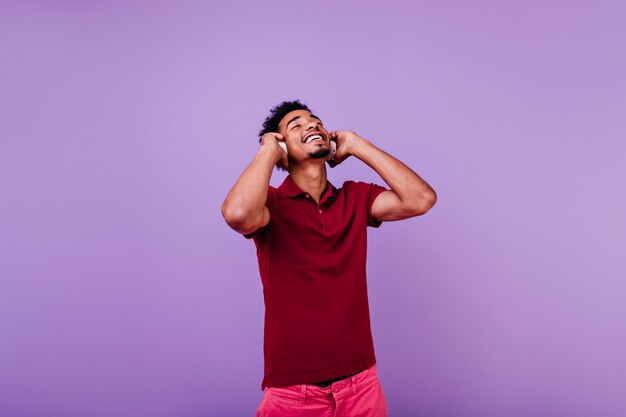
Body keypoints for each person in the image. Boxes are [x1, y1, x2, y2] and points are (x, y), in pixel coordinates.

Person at [221, 100, 437, 417]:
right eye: (295, 125)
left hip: (361, 385)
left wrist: (357, 144)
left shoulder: (356, 197)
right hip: (293, 392)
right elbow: (238, 214)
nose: (311, 125)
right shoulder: (270, 202)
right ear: (282, 148)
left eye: (316, 121)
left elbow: (421, 199)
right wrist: (267, 149)